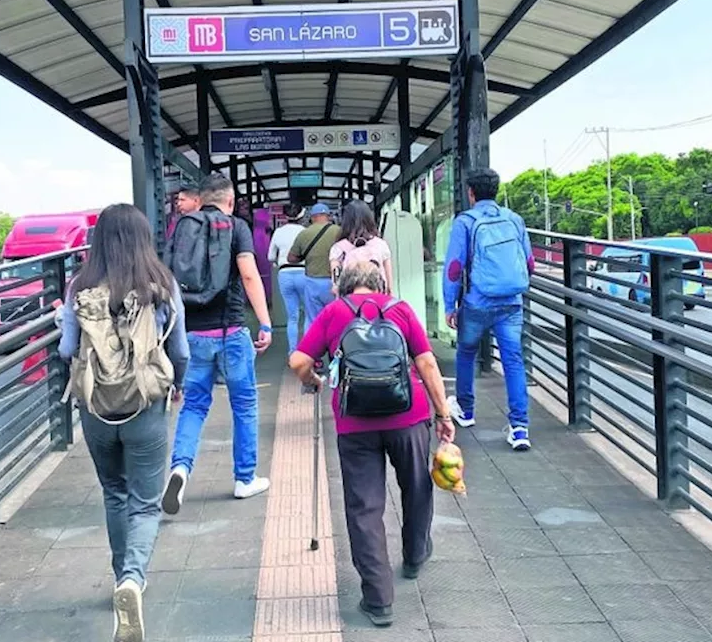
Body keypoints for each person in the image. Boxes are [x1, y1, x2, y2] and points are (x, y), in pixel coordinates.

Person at [290, 262, 455, 627]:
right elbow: (426, 363)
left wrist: (315, 380)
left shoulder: (334, 313)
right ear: (379, 283)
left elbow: (298, 360)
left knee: (365, 508)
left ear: (344, 286)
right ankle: (414, 554)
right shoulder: (400, 308)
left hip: (354, 422)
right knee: (416, 488)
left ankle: (378, 600)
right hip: (408, 416)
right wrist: (443, 415)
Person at [57, 204, 189, 642]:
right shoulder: (162, 285)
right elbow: (181, 352)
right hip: (145, 405)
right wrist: (177, 385)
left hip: (96, 407)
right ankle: (132, 579)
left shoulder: (80, 284)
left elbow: (65, 350)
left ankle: (121, 578)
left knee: (114, 493)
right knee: (144, 502)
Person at [164, 172, 274, 515]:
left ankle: (180, 469)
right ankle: (244, 479)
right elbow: (249, 274)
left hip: (193, 334)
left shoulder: (183, 227)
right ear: (229, 200)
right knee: (244, 404)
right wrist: (266, 322)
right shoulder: (236, 227)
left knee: (194, 406)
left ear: (201, 199)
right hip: (231, 331)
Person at [442, 168, 536, 451]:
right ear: (495, 190)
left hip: (477, 303)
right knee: (513, 361)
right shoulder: (515, 219)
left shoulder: (466, 222)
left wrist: (450, 305)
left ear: (471, 193)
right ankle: (520, 428)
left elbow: (454, 268)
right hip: (511, 303)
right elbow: (529, 263)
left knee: (466, 353)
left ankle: (466, 411)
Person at [287, 202, 339, 323]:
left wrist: (304, 256)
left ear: (312, 217)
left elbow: (291, 258)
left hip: (313, 282)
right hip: (334, 282)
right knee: (335, 317)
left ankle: (316, 341)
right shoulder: (339, 231)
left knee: (313, 320)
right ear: (328, 216)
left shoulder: (304, 233)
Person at [329, 200, 395, 295]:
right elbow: (389, 285)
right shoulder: (381, 245)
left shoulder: (338, 248)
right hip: (377, 301)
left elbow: (335, 285)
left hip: (349, 303)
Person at [267, 203, 308, 351]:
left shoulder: (278, 232)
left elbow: (270, 256)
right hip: (303, 272)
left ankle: (292, 352)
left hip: (284, 274)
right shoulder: (304, 232)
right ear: (301, 216)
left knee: (292, 317)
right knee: (309, 314)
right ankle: (307, 351)